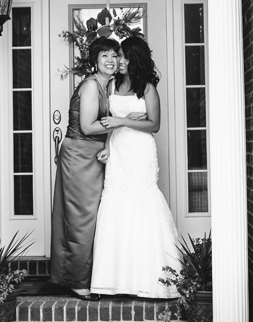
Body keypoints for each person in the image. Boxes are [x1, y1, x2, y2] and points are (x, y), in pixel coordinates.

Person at [90, 36, 181, 299]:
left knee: (142, 203)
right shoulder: (112, 85)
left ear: (134, 58)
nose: (118, 61)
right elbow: (109, 122)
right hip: (118, 152)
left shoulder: (148, 88)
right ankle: (115, 281)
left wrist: (122, 121)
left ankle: (152, 280)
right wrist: (108, 144)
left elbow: (154, 124)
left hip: (140, 153)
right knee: (117, 204)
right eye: (117, 56)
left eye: (122, 57)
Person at [50, 37, 120, 301]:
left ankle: (90, 274)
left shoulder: (107, 86)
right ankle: (76, 280)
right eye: (104, 55)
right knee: (80, 217)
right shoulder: (91, 86)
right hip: (80, 152)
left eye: (114, 55)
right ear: (95, 60)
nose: (110, 60)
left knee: (94, 217)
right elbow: (90, 127)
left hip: (93, 154)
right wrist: (123, 123)